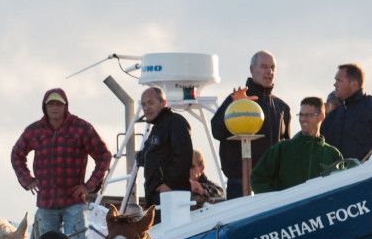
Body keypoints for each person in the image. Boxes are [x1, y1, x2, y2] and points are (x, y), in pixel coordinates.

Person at [10, 87, 112, 239]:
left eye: (59, 104)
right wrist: (28, 180)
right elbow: (17, 154)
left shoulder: (81, 128)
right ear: (45, 107)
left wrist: (89, 186)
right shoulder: (34, 131)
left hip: (74, 199)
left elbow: (104, 155)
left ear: (66, 106)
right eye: (51, 104)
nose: (55, 108)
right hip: (46, 201)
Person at [210, 50, 291, 199]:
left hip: (273, 184)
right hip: (240, 184)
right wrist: (235, 104)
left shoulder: (282, 108)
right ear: (252, 70)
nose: (269, 71)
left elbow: (286, 149)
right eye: (264, 66)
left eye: (272, 67)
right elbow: (216, 131)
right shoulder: (236, 100)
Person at [250, 97, 343, 193]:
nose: (303, 119)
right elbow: (257, 179)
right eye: (301, 115)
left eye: (308, 115)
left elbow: (341, 188)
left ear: (321, 116)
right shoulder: (282, 149)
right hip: (289, 207)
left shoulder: (333, 154)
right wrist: (277, 200)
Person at [321, 63, 372, 161]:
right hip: (336, 175)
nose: (334, 84)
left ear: (353, 83)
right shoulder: (332, 118)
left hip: (367, 174)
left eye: (339, 80)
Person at [137, 86, 192, 213]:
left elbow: (183, 156)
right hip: (155, 197)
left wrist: (169, 184)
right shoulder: (157, 129)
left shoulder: (175, 122)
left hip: (170, 195)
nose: (146, 108)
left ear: (163, 103)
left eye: (151, 103)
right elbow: (148, 156)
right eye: (144, 104)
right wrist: (140, 156)